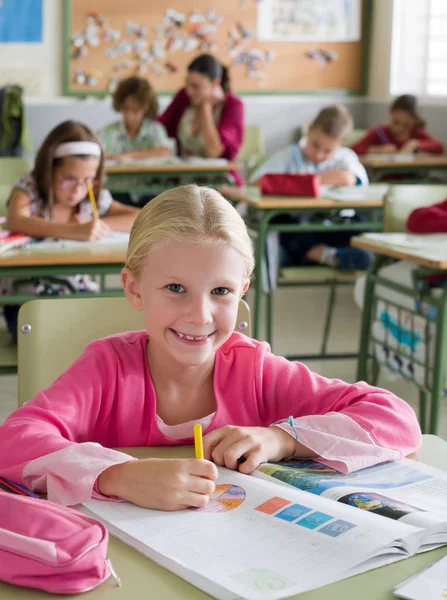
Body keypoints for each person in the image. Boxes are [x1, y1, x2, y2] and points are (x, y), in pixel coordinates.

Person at [0, 185, 421, 510]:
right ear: (134, 288)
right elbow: (14, 441)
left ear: (242, 292)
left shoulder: (256, 370)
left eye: (220, 291)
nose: (200, 315)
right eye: (175, 288)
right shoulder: (107, 368)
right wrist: (119, 475)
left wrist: (282, 440)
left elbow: (396, 420)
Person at [1, 120, 138, 340]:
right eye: (68, 178)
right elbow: (17, 221)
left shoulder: (90, 198)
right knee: (54, 342)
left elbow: (139, 217)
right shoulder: (30, 186)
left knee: (103, 335)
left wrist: (97, 225)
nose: (78, 188)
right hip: (25, 300)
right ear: (49, 169)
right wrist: (73, 230)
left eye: (88, 180)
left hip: (76, 293)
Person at [249, 105, 371, 270]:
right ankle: (324, 255)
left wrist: (303, 181)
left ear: (341, 144)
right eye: (315, 145)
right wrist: (313, 181)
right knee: (281, 223)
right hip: (300, 226)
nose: (319, 155)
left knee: (362, 225)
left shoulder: (345, 158)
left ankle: (332, 255)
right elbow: (257, 182)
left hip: (331, 224)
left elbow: (350, 179)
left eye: (328, 150)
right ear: (309, 130)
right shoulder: (289, 155)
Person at [158, 54, 244, 184]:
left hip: (220, 183)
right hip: (183, 181)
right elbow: (160, 127)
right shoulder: (184, 97)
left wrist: (206, 107)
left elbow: (213, 152)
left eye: (196, 86)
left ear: (215, 84)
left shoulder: (233, 106)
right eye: (187, 84)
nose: (189, 91)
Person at [98, 76, 174, 206]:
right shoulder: (109, 131)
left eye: (136, 110)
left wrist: (125, 157)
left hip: (149, 190)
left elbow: (165, 152)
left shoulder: (155, 129)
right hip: (118, 191)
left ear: (145, 109)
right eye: (126, 109)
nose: (130, 116)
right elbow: (97, 154)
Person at [352, 94, 444, 156]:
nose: (399, 128)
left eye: (406, 125)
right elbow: (354, 149)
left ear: (414, 122)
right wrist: (378, 150)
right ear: (390, 113)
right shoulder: (380, 132)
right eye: (396, 122)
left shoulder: (416, 133)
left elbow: (439, 148)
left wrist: (415, 144)